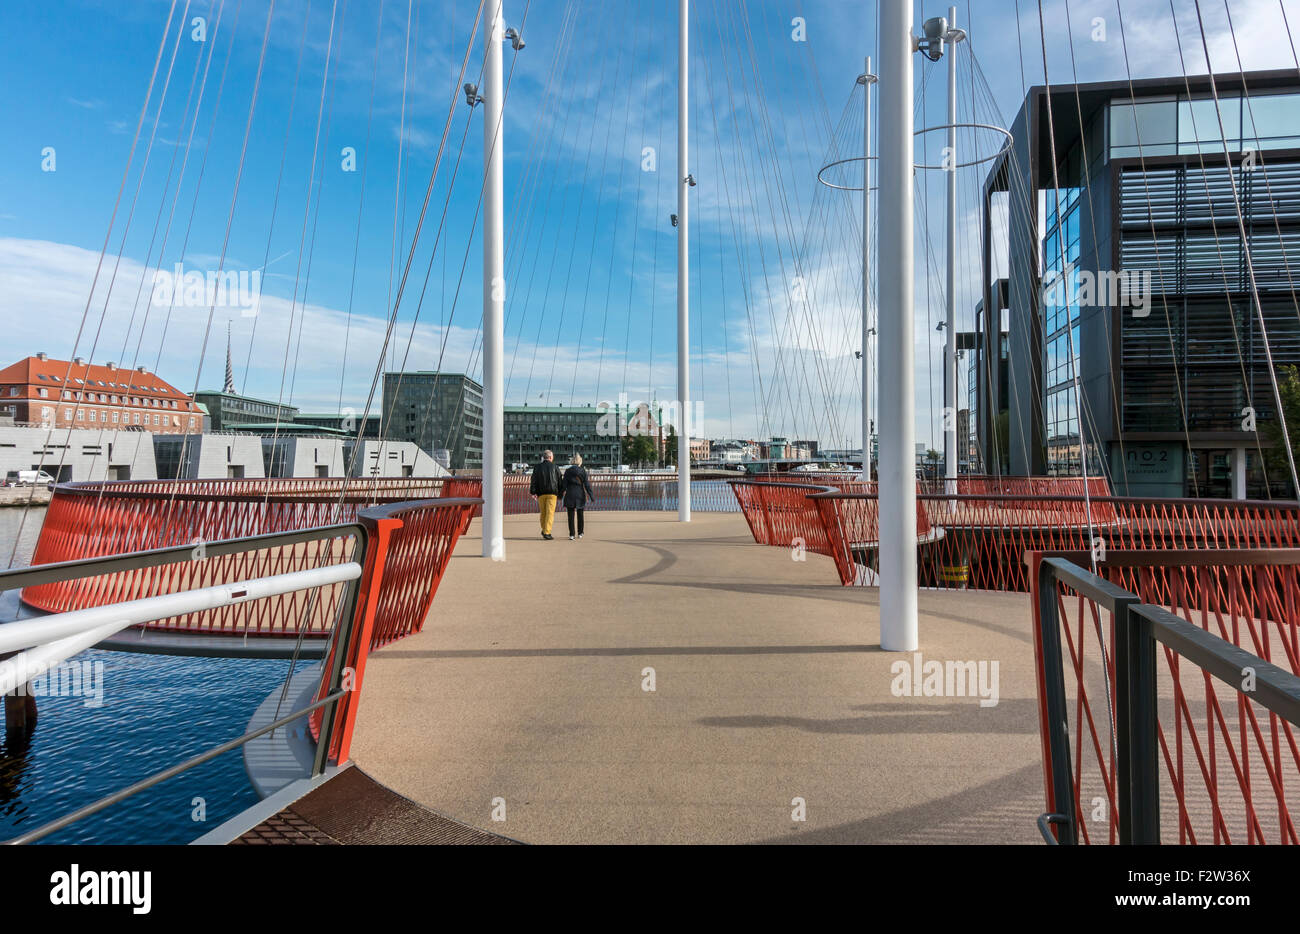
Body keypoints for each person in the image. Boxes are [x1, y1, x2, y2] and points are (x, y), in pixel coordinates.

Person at [561, 453, 596, 540]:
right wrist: (591, 496)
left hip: (570, 494)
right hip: (580, 494)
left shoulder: (568, 471)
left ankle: (571, 534)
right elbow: (587, 485)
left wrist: (560, 494)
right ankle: (580, 533)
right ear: (580, 461)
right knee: (580, 514)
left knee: (570, 515)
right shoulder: (583, 471)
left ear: (572, 461)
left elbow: (564, 485)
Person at [529, 449, 563, 540]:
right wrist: (560, 494)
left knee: (543, 513)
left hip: (541, 493)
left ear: (543, 458)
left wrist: (533, 492)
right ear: (551, 457)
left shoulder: (537, 467)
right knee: (550, 513)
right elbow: (560, 481)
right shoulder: (555, 467)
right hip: (552, 493)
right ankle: (546, 532)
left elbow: (533, 480)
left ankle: (544, 529)